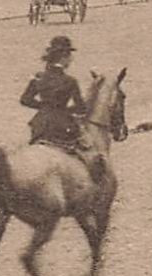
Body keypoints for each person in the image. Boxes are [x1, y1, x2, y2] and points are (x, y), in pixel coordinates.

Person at [19, 36, 105, 182]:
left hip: (40, 124)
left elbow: (25, 100)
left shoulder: (38, 78)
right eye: (70, 56)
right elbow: (81, 108)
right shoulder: (70, 81)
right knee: (89, 150)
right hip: (62, 125)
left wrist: (44, 106)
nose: (71, 60)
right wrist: (65, 110)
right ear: (63, 58)